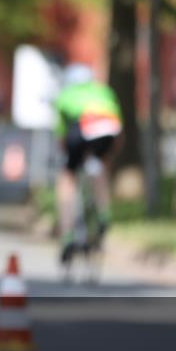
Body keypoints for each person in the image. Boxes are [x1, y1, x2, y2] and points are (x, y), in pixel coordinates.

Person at [54, 63, 122, 265]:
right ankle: (103, 214)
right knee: (100, 166)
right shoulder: (104, 91)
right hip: (108, 127)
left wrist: (69, 160)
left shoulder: (66, 94)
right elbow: (119, 134)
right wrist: (107, 157)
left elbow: (62, 136)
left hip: (81, 126)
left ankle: (67, 234)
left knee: (67, 178)